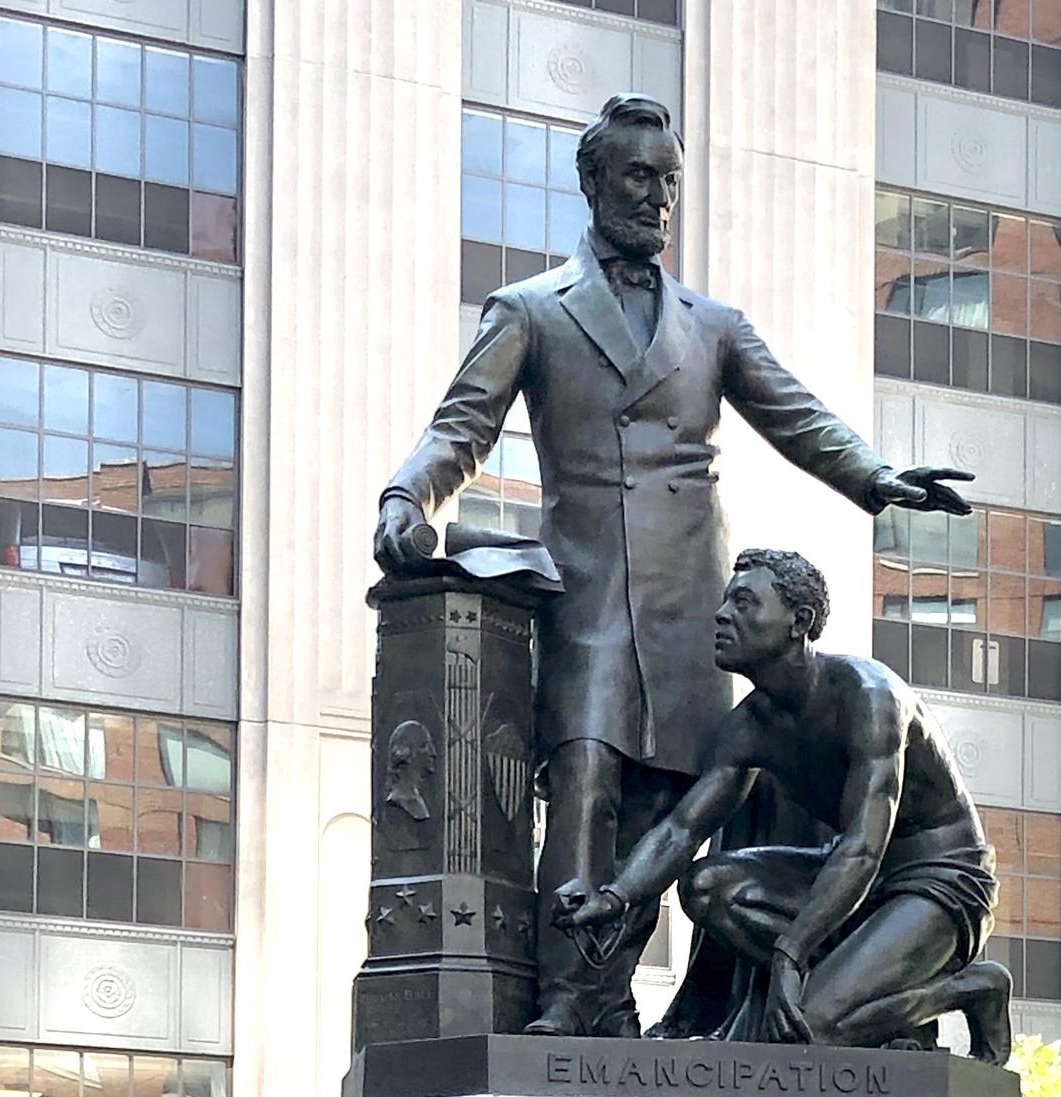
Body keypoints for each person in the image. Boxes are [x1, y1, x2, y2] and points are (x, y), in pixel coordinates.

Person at [374, 92, 971, 1036]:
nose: (656, 198)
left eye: (669, 182)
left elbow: (796, 414)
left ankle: (670, 1014)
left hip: (698, 601)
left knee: (675, 803)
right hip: (592, 597)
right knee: (585, 782)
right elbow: (462, 425)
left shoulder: (714, 325)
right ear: (593, 181)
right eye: (637, 177)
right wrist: (407, 499)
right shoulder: (532, 309)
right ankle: (572, 1007)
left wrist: (878, 476)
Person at [553, 548, 1013, 1062]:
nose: (723, 615)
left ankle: (971, 989)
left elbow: (863, 848)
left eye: (745, 603)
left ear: (800, 622)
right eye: (727, 602)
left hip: (936, 880)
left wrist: (789, 952)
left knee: (810, 1028)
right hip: (848, 881)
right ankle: (853, 982)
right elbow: (682, 830)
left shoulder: (869, 696)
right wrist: (614, 898)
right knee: (706, 887)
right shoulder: (750, 725)